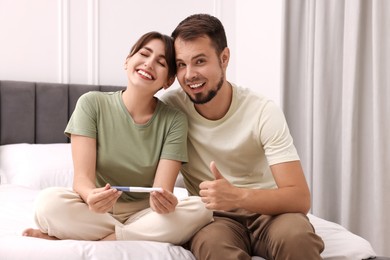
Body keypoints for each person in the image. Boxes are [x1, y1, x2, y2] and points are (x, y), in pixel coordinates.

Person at [22, 31, 212, 244]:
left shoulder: (174, 120)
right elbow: (82, 179)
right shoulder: (91, 104)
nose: (149, 64)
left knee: (202, 209)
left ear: (168, 81)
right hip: (95, 210)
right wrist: (90, 196)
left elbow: (160, 190)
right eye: (144, 54)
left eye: (160, 62)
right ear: (127, 61)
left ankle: (105, 237)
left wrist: (163, 202)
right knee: (48, 203)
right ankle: (131, 236)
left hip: (145, 214)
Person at [161, 14, 325, 259]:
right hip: (215, 219)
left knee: (297, 237)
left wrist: (237, 196)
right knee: (212, 245)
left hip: (272, 214)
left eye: (200, 61)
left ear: (224, 58)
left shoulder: (262, 111)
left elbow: (299, 198)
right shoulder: (171, 110)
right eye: (182, 64)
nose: (189, 74)